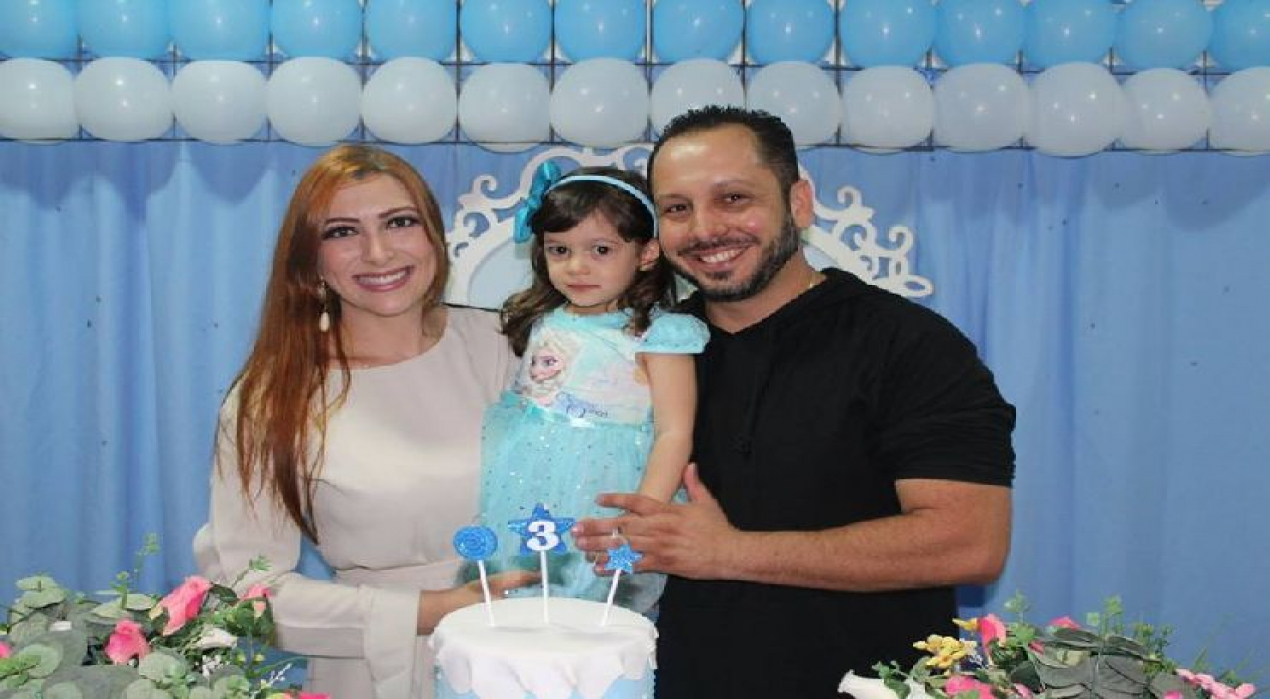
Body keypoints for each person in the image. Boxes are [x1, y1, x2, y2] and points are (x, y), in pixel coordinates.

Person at [571, 107, 1017, 698]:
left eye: (733, 198)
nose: (704, 229)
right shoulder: (649, 352)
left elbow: (970, 543)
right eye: (677, 208)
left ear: (799, 203)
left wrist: (731, 553)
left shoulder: (907, 344)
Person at [192, 145, 536, 699]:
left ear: (433, 235)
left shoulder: (509, 347)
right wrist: (432, 610)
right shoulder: (273, 397)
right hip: (378, 674)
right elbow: (248, 597)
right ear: (311, 261)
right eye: (342, 232)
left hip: (535, 652)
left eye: (399, 222)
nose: (378, 252)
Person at [476, 163, 708, 614]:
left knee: (593, 606)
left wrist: (641, 515)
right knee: (523, 594)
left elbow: (674, 432)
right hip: (528, 483)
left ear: (646, 253)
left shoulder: (660, 333)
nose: (576, 266)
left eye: (601, 249)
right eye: (559, 250)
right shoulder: (545, 320)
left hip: (605, 488)